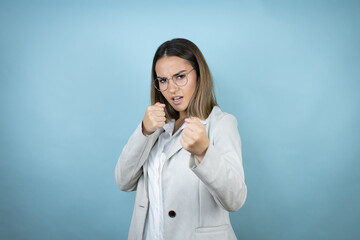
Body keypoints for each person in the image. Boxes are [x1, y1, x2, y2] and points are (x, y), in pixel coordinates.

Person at [115, 38, 247, 240]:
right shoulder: (157, 128)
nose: (171, 89)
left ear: (199, 75)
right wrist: (144, 131)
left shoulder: (221, 124)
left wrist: (204, 153)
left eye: (180, 76)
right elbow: (123, 182)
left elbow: (235, 200)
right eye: (163, 80)